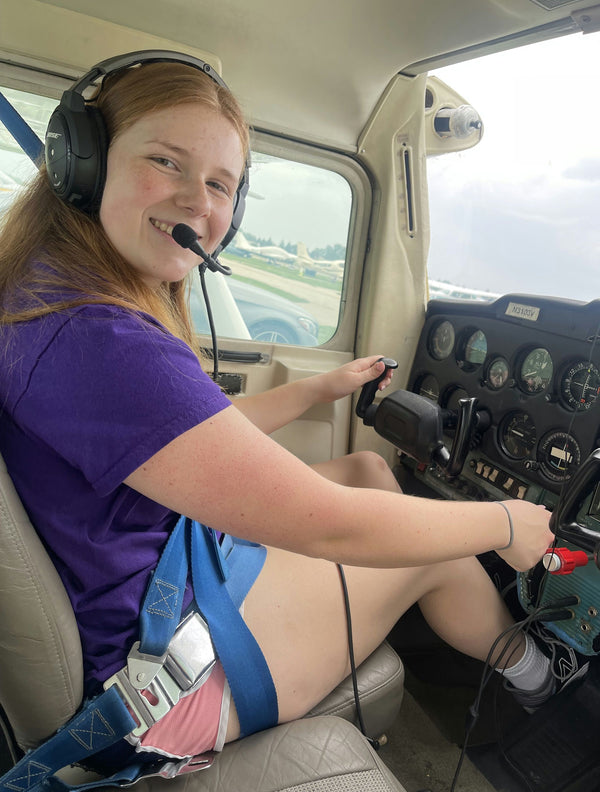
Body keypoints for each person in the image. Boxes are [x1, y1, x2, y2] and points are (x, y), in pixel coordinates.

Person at [0, 54, 555, 770]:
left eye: (220, 184)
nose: (198, 203)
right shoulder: (98, 338)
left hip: (154, 585)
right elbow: (332, 524)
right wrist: (508, 522)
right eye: (166, 161)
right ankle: (542, 682)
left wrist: (319, 389)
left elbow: (189, 437)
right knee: (442, 547)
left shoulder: (52, 290)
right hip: (155, 685)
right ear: (84, 160)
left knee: (366, 468)